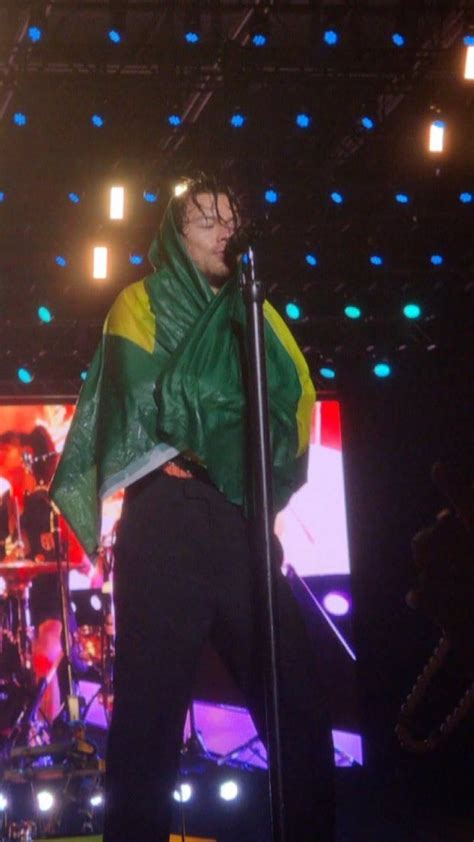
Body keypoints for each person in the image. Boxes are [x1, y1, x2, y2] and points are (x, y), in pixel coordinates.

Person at [51, 175, 335, 841]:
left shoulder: (256, 309)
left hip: (237, 521)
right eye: (207, 220)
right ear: (176, 238)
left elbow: (295, 398)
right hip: (168, 521)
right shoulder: (139, 303)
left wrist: (233, 439)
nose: (224, 231)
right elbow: (152, 394)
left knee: (296, 701)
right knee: (147, 722)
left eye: (231, 219)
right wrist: (225, 422)